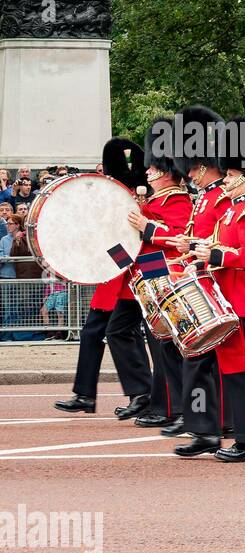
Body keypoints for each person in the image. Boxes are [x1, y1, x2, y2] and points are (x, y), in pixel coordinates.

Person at [191, 117, 245, 462]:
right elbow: (219, 247)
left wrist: (216, 254)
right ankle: (209, 431)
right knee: (216, 368)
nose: (225, 179)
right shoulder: (231, 212)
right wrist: (200, 249)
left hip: (238, 301)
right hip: (223, 299)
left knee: (240, 370)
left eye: (230, 175)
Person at [52, 138, 152, 419]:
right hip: (116, 274)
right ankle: (86, 394)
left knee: (126, 334)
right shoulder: (117, 195)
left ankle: (145, 394)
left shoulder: (144, 195)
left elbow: (146, 238)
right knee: (94, 333)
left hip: (134, 273)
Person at [163, 106, 236, 455]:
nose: (190, 175)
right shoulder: (205, 198)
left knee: (199, 357)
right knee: (204, 359)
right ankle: (214, 425)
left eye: (193, 169)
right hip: (202, 282)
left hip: (218, 284)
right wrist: (185, 248)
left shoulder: (222, 198)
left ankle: (206, 429)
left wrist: (195, 247)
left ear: (205, 167)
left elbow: (226, 241)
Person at [126, 119, 194, 430]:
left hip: (168, 272)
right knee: (158, 342)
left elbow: (177, 237)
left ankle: (179, 407)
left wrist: (146, 226)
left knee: (168, 344)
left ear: (166, 172)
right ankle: (165, 404)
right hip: (150, 271)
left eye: (152, 169)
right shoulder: (154, 200)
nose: (148, 173)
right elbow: (137, 243)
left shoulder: (177, 199)